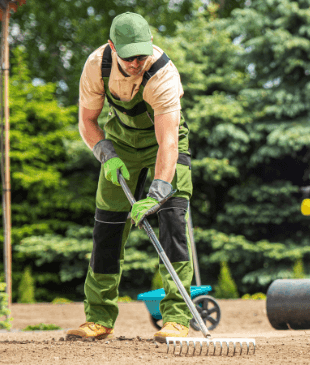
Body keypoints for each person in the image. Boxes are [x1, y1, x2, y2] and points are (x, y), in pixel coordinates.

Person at [66, 11, 194, 343]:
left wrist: (158, 191)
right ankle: (99, 318)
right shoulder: (97, 66)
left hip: (165, 145)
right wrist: (105, 154)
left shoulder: (162, 73)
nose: (136, 62)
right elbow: (87, 122)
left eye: (141, 54)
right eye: (128, 56)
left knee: (172, 223)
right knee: (106, 228)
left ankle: (177, 319)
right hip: (120, 144)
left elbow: (167, 142)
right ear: (112, 47)